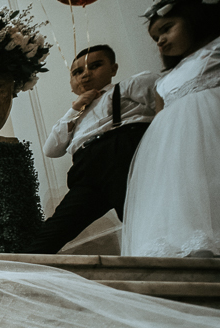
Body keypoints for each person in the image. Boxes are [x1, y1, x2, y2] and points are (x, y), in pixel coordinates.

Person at [24, 45, 159, 254]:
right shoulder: (74, 113)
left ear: (113, 69)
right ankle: (25, 266)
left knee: (135, 213)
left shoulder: (129, 86)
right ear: (71, 82)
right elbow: (51, 149)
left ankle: (156, 257)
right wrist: (75, 108)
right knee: (57, 227)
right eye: (77, 72)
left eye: (95, 66)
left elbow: (165, 103)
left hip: (121, 153)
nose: (85, 74)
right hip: (86, 169)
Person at [124, 0, 220, 257]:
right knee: (189, 199)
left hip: (214, 128)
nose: (160, 41)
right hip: (177, 150)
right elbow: (160, 115)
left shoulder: (214, 50)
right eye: (156, 37)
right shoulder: (164, 81)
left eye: (167, 29)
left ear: (194, 20)